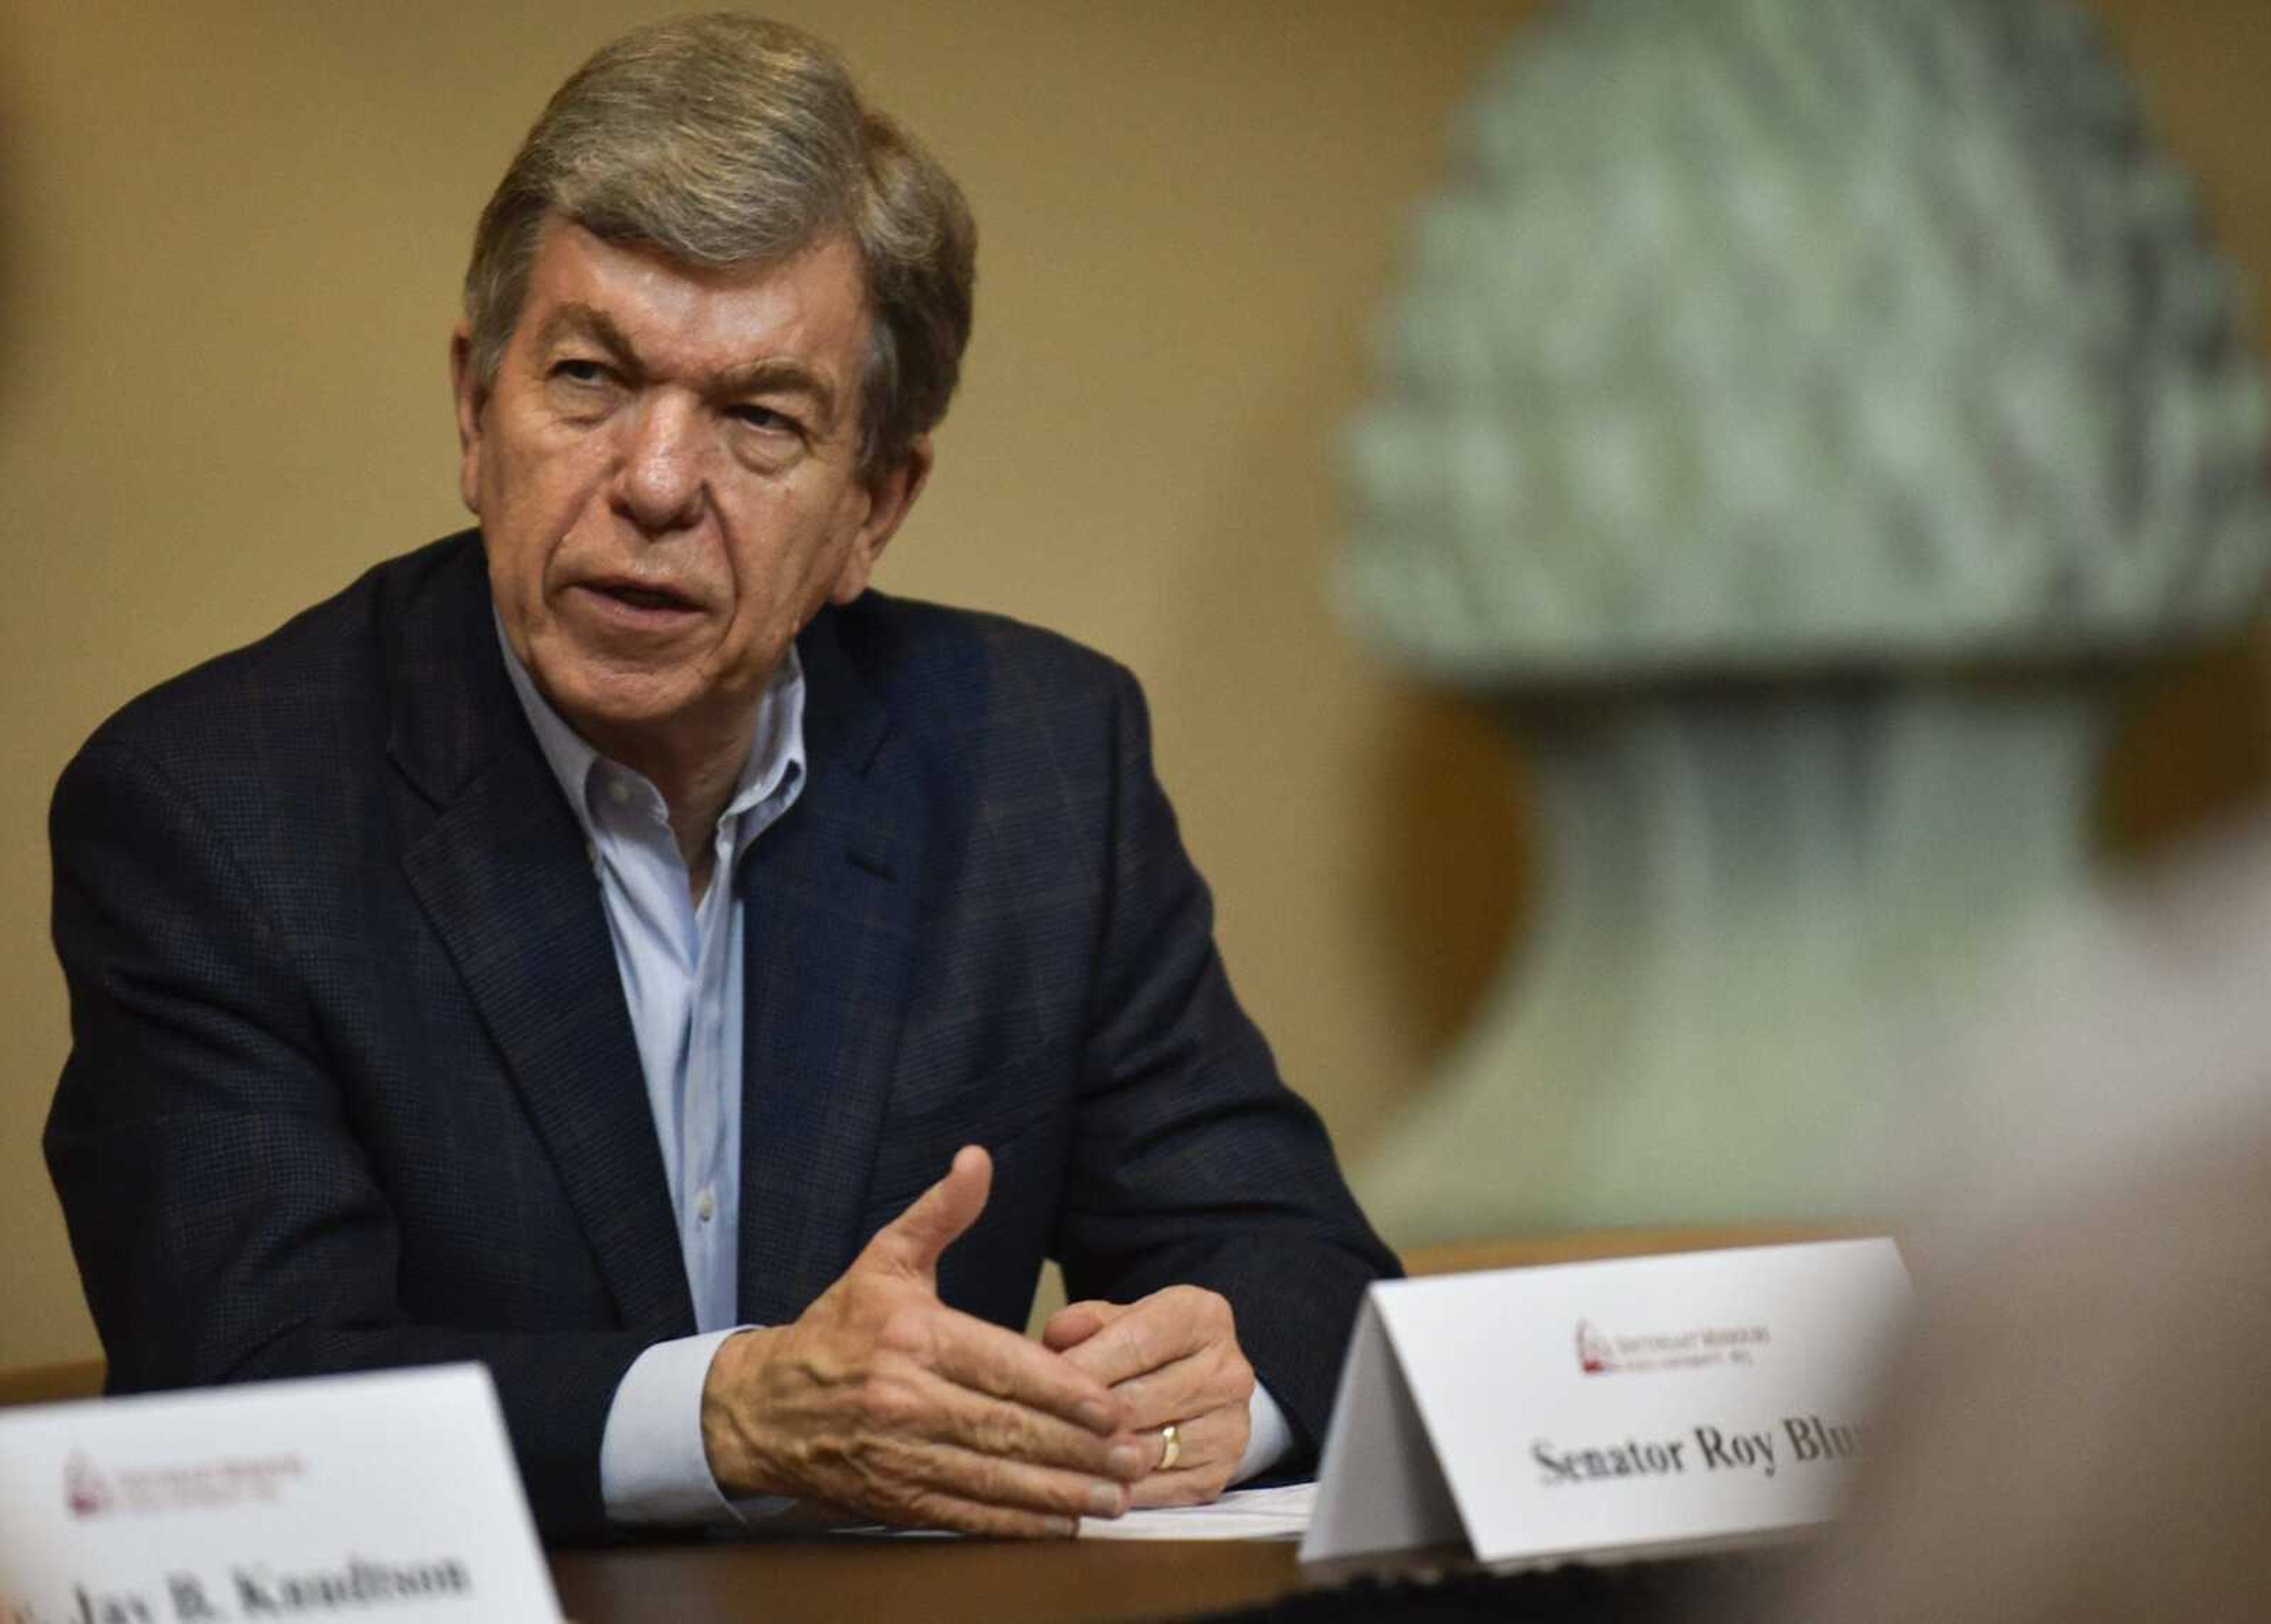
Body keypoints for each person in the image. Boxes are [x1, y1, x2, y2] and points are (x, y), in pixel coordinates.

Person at [43, 13, 1395, 1544]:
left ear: (876, 504)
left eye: (759, 418)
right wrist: (732, 1413)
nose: (658, 483)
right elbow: (246, 1391)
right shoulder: (214, 811)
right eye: (589, 378)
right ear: (475, 409)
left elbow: (1310, 1275)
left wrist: (1218, 1383)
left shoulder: (1040, 763)